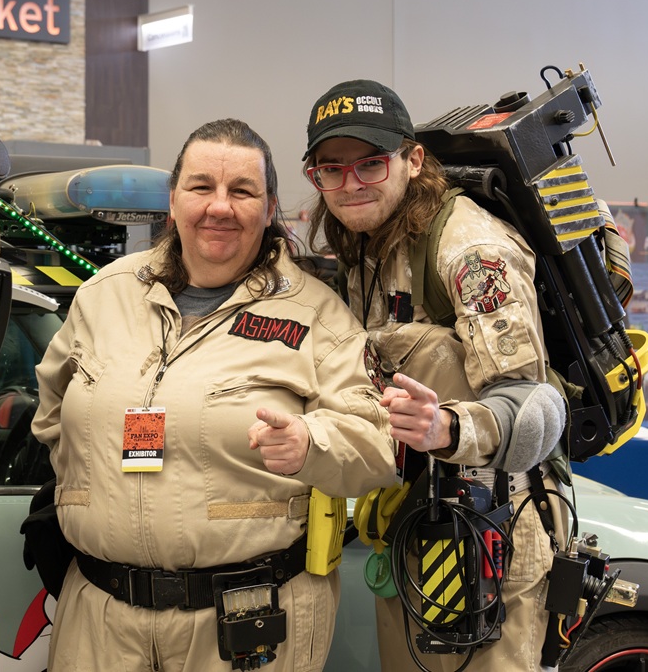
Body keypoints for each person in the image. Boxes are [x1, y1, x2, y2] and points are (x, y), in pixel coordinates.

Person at [32, 118, 399, 672]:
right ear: (174, 199)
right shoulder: (103, 295)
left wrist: (310, 445)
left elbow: (376, 445)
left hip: (248, 623)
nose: (220, 206)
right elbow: (52, 418)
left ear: (269, 207)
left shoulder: (316, 313)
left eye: (242, 191)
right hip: (100, 618)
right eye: (202, 187)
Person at [302, 79, 570, 671]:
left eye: (370, 165)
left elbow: (536, 408)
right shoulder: (366, 247)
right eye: (331, 170)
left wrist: (447, 427)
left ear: (412, 160)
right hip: (411, 527)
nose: (350, 185)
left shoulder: (472, 251)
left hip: (486, 533)